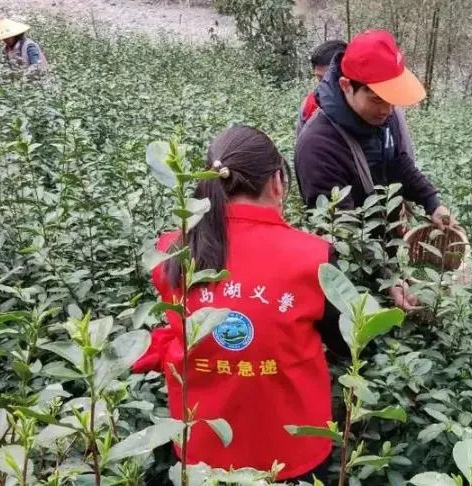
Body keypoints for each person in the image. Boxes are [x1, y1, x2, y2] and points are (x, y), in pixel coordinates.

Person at [132, 126, 347, 483]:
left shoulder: (172, 251)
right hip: (293, 454)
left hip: (203, 455)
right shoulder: (314, 257)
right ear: (277, 182)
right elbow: (345, 343)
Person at [294, 29, 452, 310]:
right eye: (377, 99)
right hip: (350, 273)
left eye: (391, 100)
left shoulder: (381, 117)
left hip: (384, 252)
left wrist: (432, 202)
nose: (387, 110)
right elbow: (341, 230)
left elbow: (397, 162)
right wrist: (386, 277)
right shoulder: (317, 145)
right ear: (346, 86)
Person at [297, 39, 416, 161]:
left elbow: (404, 157)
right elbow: (304, 153)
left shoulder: (385, 110)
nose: (326, 86)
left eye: (330, 78)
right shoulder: (309, 107)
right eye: (320, 79)